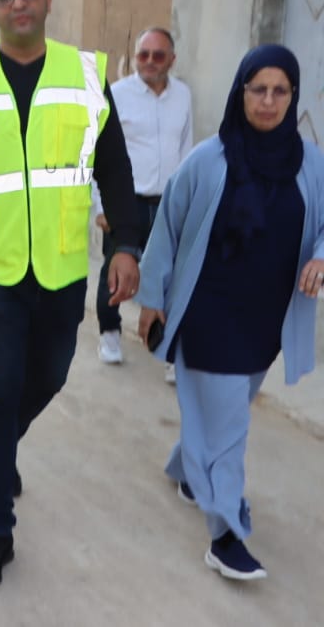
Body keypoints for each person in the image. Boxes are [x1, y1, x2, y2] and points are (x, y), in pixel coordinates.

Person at [0, 0, 141, 588]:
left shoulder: (84, 75)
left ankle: (0, 447)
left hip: (57, 266)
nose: (18, 4)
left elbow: (114, 166)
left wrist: (125, 245)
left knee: (48, 376)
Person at [137, 44, 324, 583]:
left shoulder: (311, 164)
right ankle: (225, 533)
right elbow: (166, 234)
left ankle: (185, 470)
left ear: (294, 96)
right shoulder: (208, 159)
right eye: (257, 89)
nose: (268, 101)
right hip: (208, 314)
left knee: (223, 414)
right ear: (240, 93)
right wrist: (152, 303)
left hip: (267, 322)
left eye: (279, 91)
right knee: (229, 429)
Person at [92, 27, 192, 368]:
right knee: (117, 270)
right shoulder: (117, 94)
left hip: (168, 203)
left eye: (158, 55)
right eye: (143, 55)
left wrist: (188, 200)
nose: (149, 62)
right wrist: (101, 205)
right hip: (126, 203)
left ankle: (165, 346)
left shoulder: (183, 96)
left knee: (170, 277)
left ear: (172, 60)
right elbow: (96, 154)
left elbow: (186, 149)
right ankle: (109, 334)